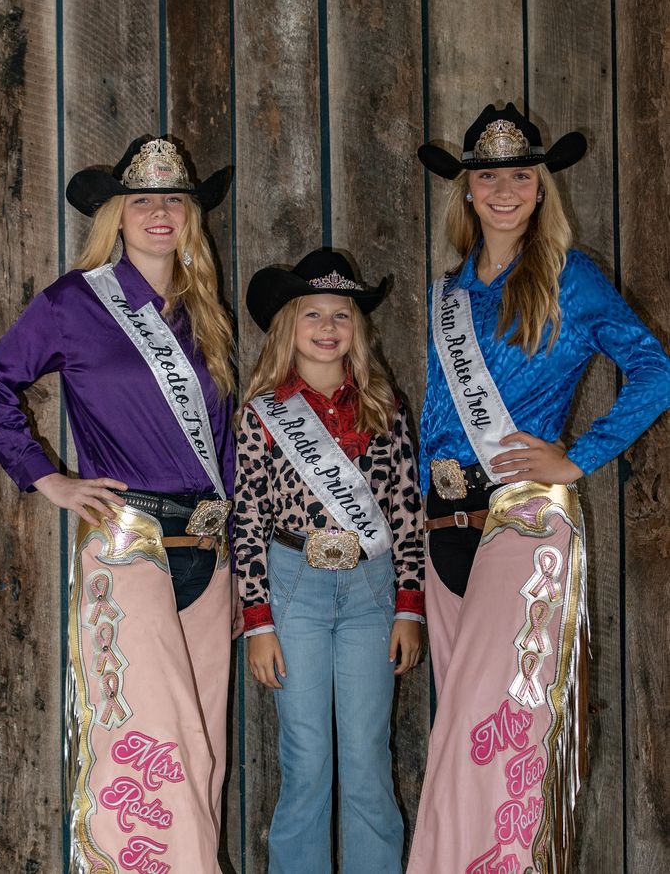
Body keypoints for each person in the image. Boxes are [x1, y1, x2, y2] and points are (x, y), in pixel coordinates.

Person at [407, 103, 670, 873]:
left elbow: (655, 370)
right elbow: (434, 414)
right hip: (444, 522)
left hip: (521, 521)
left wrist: (579, 456)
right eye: (487, 175)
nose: (503, 188)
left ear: (541, 186)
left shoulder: (573, 277)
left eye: (520, 174)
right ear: (466, 190)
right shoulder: (447, 292)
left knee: (493, 726)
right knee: (459, 720)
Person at [0, 135, 239, 873]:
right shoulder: (73, 301)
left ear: (191, 216)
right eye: (143, 200)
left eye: (174, 200)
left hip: (209, 552)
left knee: (204, 748)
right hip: (130, 542)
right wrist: (46, 476)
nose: (160, 213)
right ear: (116, 215)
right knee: (154, 744)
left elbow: (224, 442)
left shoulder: (203, 312)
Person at [235, 249, 424, 874]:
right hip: (294, 591)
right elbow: (249, 521)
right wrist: (258, 622)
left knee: (368, 756)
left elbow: (404, 513)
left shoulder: (385, 407)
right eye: (311, 313)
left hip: (372, 593)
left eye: (340, 315)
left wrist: (409, 609)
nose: (326, 327)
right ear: (288, 324)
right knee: (306, 756)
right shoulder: (261, 415)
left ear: (356, 327)